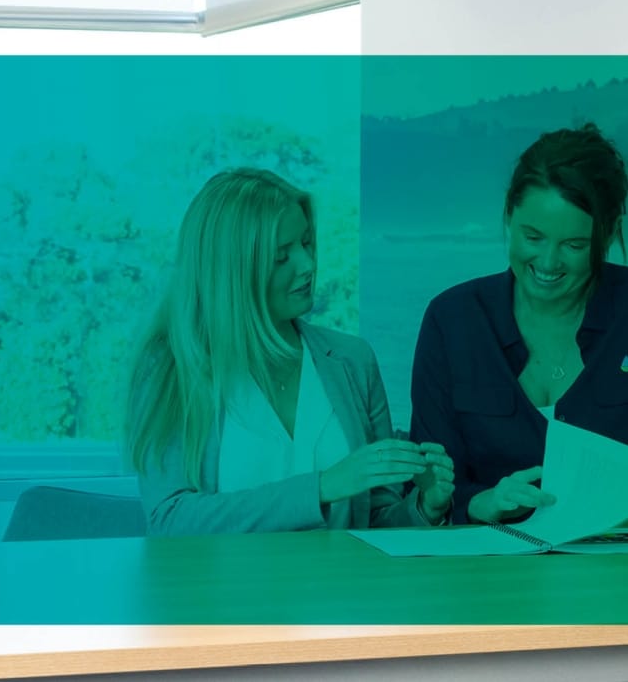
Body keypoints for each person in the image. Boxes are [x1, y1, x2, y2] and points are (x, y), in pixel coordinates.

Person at [124, 168, 453, 536]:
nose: (308, 265)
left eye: (307, 243)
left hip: (345, 576)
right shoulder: (170, 368)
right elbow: (169, 521)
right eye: (282, 256)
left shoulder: (354, 361)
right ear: (232, 270)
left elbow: (375, 522)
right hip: (226, 578)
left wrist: (424, 508)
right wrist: (322, 487)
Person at [410, 123, 628, 525]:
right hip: (488, 559)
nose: (548, 262)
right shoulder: (452, 320)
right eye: (533, 237)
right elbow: (432, 487)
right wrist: (485, 503)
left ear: (610, 232)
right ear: (509, 216)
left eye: (574, 245)